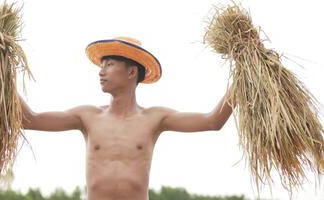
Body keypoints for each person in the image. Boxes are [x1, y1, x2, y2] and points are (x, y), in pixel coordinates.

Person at [19, 36, 236, 200]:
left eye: (109, 64)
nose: (100, 72)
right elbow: (30, 119)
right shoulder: (87, 116)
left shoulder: (155, 118)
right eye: (101, 65)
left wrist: (242, 79)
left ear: (131, 72)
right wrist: (0, 68)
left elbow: (212, 121)